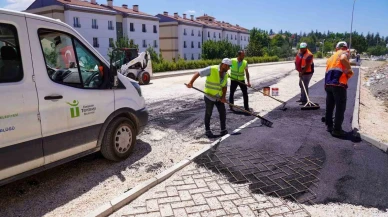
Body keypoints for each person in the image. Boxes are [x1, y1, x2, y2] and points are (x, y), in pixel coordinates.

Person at [186, 58, 232, 138]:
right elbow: (198, 73)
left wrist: (223, 97)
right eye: (228, 66)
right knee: (208, 113)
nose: (229, 68)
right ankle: (207, 130)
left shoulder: (226, 74)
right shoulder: (211, 69)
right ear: (224, 65)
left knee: (222, 113)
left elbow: (224, 86)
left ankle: (223, 130)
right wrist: (191, 82)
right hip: (209, 96)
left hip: (219, 97)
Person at [324, 41, 354, 137]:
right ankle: (337, 130)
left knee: (330, 106)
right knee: (340, 107)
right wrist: (350, 70)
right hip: (338, 84)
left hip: (328, 84)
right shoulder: (343, 53)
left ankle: (329, 125)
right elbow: (343, 59)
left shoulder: (331, 57)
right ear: (345, 47)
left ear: (336, 48)